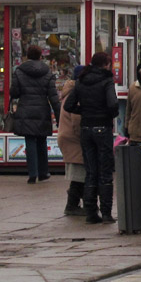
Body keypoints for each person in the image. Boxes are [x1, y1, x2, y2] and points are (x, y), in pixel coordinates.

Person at [63, 52, 118, 224]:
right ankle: (107, 213)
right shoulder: (107, 81)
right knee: (105, 171)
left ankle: (90, 212)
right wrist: (107, 114)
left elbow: (70, 105)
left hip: (86, 128)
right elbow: (113, 104)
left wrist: (86, 111)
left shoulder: (81, 82)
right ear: (105, 65)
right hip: (103, 127)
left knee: (90, 171)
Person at [10, 45, 60, 184]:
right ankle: (43, 172)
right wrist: (59, 116)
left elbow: (14, 92)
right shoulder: (48, 72)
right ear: (40, 56)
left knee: (30, 141)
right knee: (42, 140)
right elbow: (53, 97)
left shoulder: (19, 71)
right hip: (42, 109)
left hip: (25, 108)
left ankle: (32, 173)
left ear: (27, 56)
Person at [57, 65, 87, 216]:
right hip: (74, 139)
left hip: (67, 137)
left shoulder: (69, 91)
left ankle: (74, 203)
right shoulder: (77, 94)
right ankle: (72, 205)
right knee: (79, 174)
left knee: (79, 173)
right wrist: (85, 136)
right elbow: (77, 120)